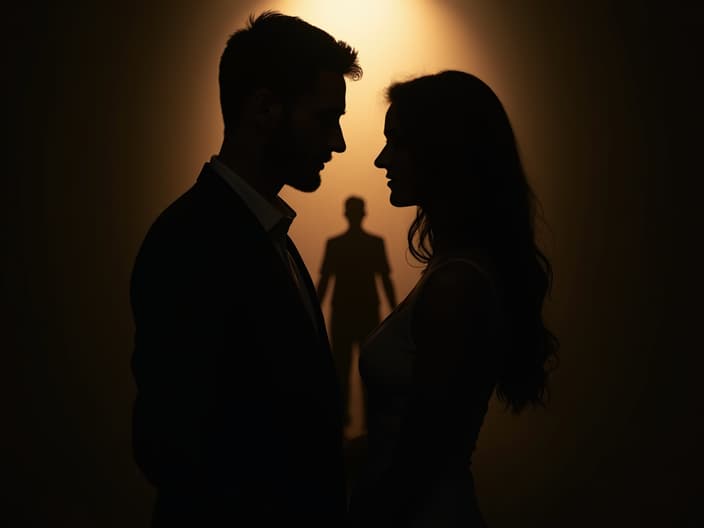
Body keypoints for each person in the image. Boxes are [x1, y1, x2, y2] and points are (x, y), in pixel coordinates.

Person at [129, 11, 361, 527]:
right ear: (264, 110)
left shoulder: (266, 235)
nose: (339, 143)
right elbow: (171, 444)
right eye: (325, 119)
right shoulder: (188, 242)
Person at [347, 70, 559, 527]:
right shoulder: (452, 273)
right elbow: (401, 439)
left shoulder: (455, 287)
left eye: (397, 143)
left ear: (442, 152)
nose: (382, 160)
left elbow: (418, 459)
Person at [317, 196, 397, 431]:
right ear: (364, 213)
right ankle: (367, 427)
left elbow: (324, 283)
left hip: (345, 314)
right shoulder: (374, 243)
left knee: (342, 370)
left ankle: (341, 427)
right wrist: (395, 312)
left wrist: (313, 310)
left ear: (347, 214)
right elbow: (385, 280)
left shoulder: (336, 244)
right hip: (364, 314)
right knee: (367, 371)